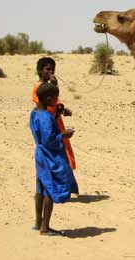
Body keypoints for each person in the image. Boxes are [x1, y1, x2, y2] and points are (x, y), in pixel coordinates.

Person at [30, 82, 78, 236]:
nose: (57, 101)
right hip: (49, 157)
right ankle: (45, 227)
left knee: (40, 188)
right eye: (55, 98)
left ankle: (38, 222)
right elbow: (49, 140)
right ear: (49, 99)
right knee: (50, 189)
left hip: (40, 155)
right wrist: (64, 135)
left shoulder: (35, 113)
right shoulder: (45, 117)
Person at [32, 57, 76, 170]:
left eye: (53, 70)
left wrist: (62, 110)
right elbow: (46, 109)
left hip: (56, 126)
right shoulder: (38, 88)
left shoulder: (48, 87)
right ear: (40, 71)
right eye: (48, 69)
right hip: (50, 129)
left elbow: (54, 102)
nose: (51, 72)